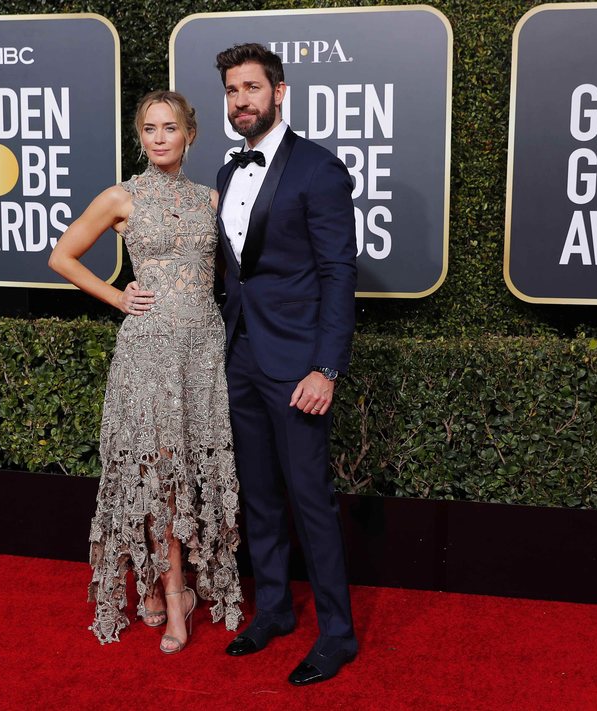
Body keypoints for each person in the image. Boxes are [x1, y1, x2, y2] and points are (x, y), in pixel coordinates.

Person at [49, 90, 242, 653]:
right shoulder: (121, 197)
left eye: (171, 128)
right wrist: (116, 296)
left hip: (203, 349)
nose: (160, 138)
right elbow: (62, 256)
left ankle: (167, 591)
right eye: (150, 129)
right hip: (149, 350)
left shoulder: (212, 200)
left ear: (190, 135)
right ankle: (173, 596)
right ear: (141, 136)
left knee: (188, 468)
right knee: (160, 473)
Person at [214, 44, 358, 685]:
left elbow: (337, 274)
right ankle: (272, 609)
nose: (241, 100)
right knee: (260, 497)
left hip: (298, 364)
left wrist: (326, 368)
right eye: (231, 91)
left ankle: (338, 633)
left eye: (251, 87)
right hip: (240, 355)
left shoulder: (319, 170)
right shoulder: (224, 171)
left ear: (279, 91)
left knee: (310, 500)